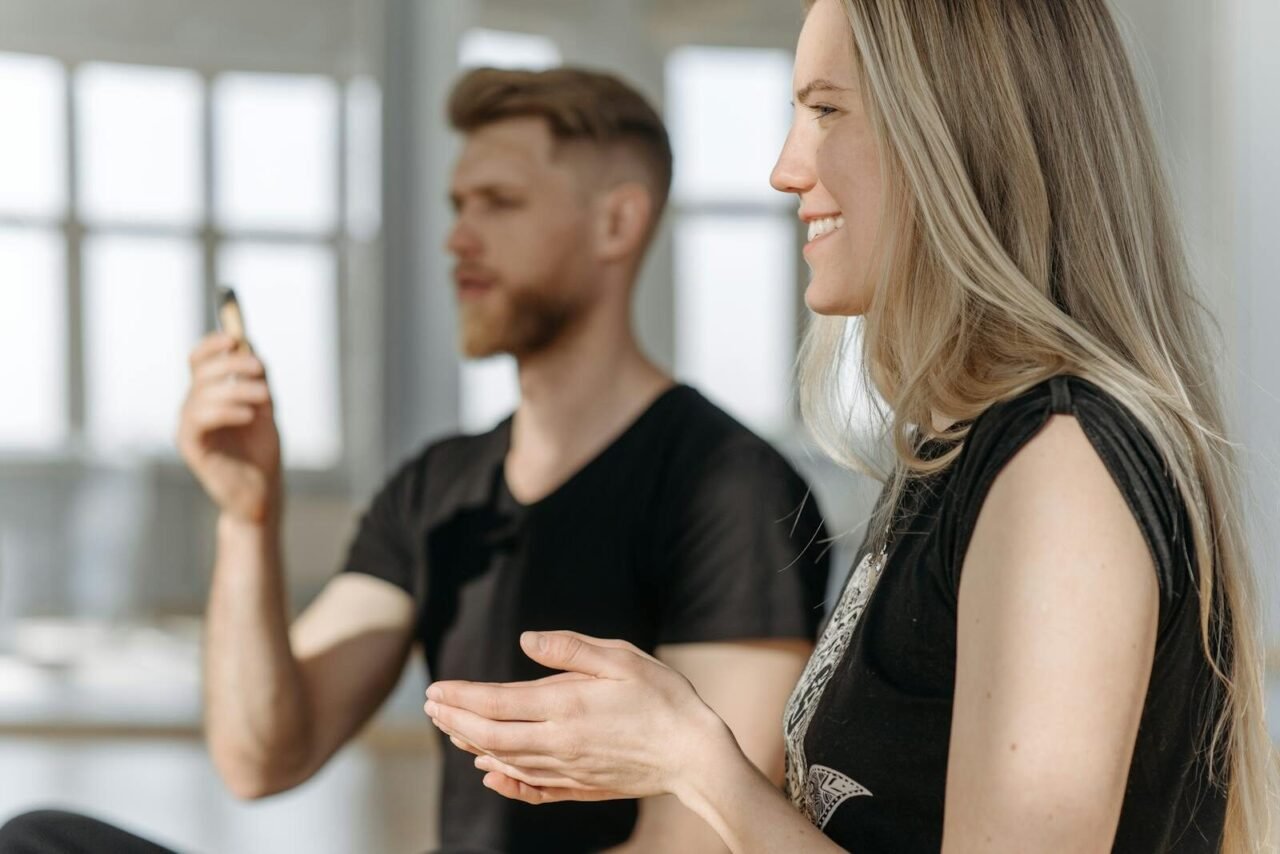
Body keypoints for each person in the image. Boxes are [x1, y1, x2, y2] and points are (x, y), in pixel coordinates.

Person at [421, 1, 1277, 852]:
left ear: (957, 129)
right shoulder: (959, 459)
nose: (786, 170)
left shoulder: (1059, 464)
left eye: (826, 110)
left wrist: (694, 763)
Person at [0, 69, 830, 854]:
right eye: (458, 204)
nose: (459, 238)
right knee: (42, 840)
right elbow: (262, 756)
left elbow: (694, 846)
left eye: (499, 204)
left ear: (616, 222)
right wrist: (247, 516)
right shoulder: (438, 486)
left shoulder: (732, 490)